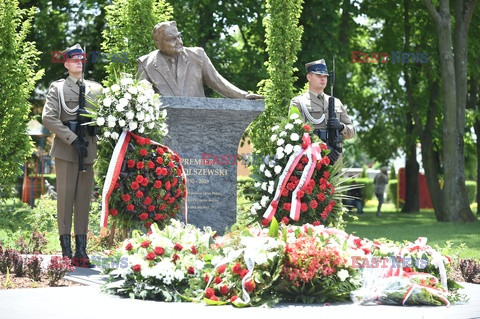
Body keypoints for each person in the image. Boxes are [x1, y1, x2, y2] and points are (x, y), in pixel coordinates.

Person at [42, 44, 102, 267]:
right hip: (67, 150)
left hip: (88, 149)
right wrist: (72, 138)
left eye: (82, 59)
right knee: (66, 199)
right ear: (66, 64)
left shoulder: (96, 88)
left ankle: (81, 251)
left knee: (84, 201)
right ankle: (66, 251)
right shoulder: (57, 88)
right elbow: (49, 118)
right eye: (74, 59)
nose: (79, 62)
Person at [137, 20, 263, 99]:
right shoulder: (145, 63)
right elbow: (142, 98)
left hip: (199, 120)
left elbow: (217, 81)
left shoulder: (198, 55)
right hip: (165, 127)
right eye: (172, 39)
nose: (179, 42)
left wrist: (243, 96)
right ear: (158, 44)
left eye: (179, 36)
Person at [290, 59, 355, 162]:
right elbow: (296, 131)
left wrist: (341, 127)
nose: (323, 79)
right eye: (319, 76)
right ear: (309, 77)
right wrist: (323, 148)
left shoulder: (336, 102)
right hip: (311, 158)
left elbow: (352, 132)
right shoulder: (298, 102)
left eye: (325, 76)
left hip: (335, 156)